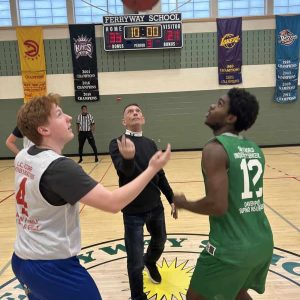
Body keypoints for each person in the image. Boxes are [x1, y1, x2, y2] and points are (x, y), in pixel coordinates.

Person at [12, 94, 171, 300]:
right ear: (44, 130)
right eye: (60, 114)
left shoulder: (24, 155)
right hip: (52, 267)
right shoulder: (60, 168)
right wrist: (152, 168)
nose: (69, 117)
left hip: (22, 259)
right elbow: (113, 203)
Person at [173, 88, 273, 300]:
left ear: (230, 117)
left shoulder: (215, 149)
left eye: (219, 103)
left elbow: (217, 206)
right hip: (261, 242)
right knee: (237, 292)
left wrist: (184, 203)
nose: (211, 106)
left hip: (231, 249)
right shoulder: (254, 148)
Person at [109, 103, 177, 300]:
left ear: (143, 118)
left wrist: (171, 198)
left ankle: (151, 261)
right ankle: (138, 296)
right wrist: (128, 159)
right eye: (130, 112)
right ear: (124, 121)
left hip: (155, 206)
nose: (135, 113)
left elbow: (159, 174)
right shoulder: (117, 143)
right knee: (134, 260)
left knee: (160, 241)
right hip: (132, 211)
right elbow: (125, 173)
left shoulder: (150, 144)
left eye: (138, 111)